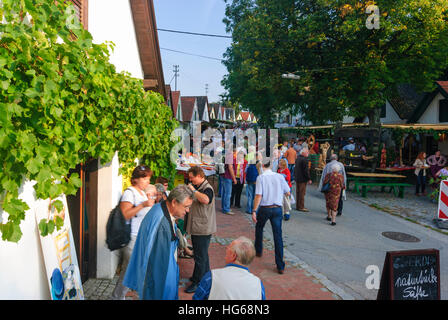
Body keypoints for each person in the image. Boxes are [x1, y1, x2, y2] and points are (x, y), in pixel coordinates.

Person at [123, 185, 193, 300]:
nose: (187, 211)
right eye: (186, 206)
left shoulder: (159, 208)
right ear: (174, 202)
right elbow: (158, 266)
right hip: (160, 284)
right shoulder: (162, 225)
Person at [111, 165, 153, 300]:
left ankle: (119, 295)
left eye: (148, 179)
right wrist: (143, 205)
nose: (148, 181)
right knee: (130, 271)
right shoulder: (130, 193)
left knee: (130, 271)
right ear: (136, 179)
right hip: (131, 238)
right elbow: (125, 214)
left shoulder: (141, 192)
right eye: (145, 179)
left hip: (140, 238)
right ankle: (117, 296)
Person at [193, 236, 266, 300]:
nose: (226, 248)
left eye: (229, 247)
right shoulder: (258, 284)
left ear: (234, 255)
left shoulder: (212, 277)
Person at [252, 160, 290, 274]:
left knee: (259, 228)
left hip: (265, 208)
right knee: (278, 236)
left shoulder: (261, 178)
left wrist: (254, 210)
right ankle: (280, 265)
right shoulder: (279, 176)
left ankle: (258, 250)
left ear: (263, 166)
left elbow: (258, 195)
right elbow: (288, 192)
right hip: (277, 208)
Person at [184, 166, 217, 293]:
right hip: (198, 226)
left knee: (200, 256)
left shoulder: (207, 188)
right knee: (202, 254)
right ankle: (206, 276)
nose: (191, 180)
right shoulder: (199, 186)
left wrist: (192, 190)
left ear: (200, 176)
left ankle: (198, 282)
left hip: (203, 227)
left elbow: (206, 199)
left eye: (192, 178)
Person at [221, 150, 237, 215]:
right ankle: (226, 209)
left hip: (223, 175)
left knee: (224, 193)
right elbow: (230, 168)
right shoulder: (230, 156)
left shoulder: (227, 154)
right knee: (228, 194)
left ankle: (224, 207)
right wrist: (234, 178)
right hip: (227, 176)